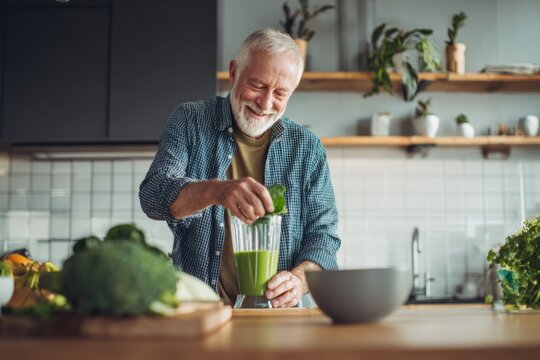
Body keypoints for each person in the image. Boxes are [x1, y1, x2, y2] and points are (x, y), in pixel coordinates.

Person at [139, 28, 340, 308]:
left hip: (279, 321)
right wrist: (216, 191)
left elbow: (324, 238)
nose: (266, 103)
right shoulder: (189, 120)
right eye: (257, 85)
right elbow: (152, 197)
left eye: (280, 92)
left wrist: (298, 280)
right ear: (234, 72)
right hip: (199, 314)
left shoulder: (308, 148)